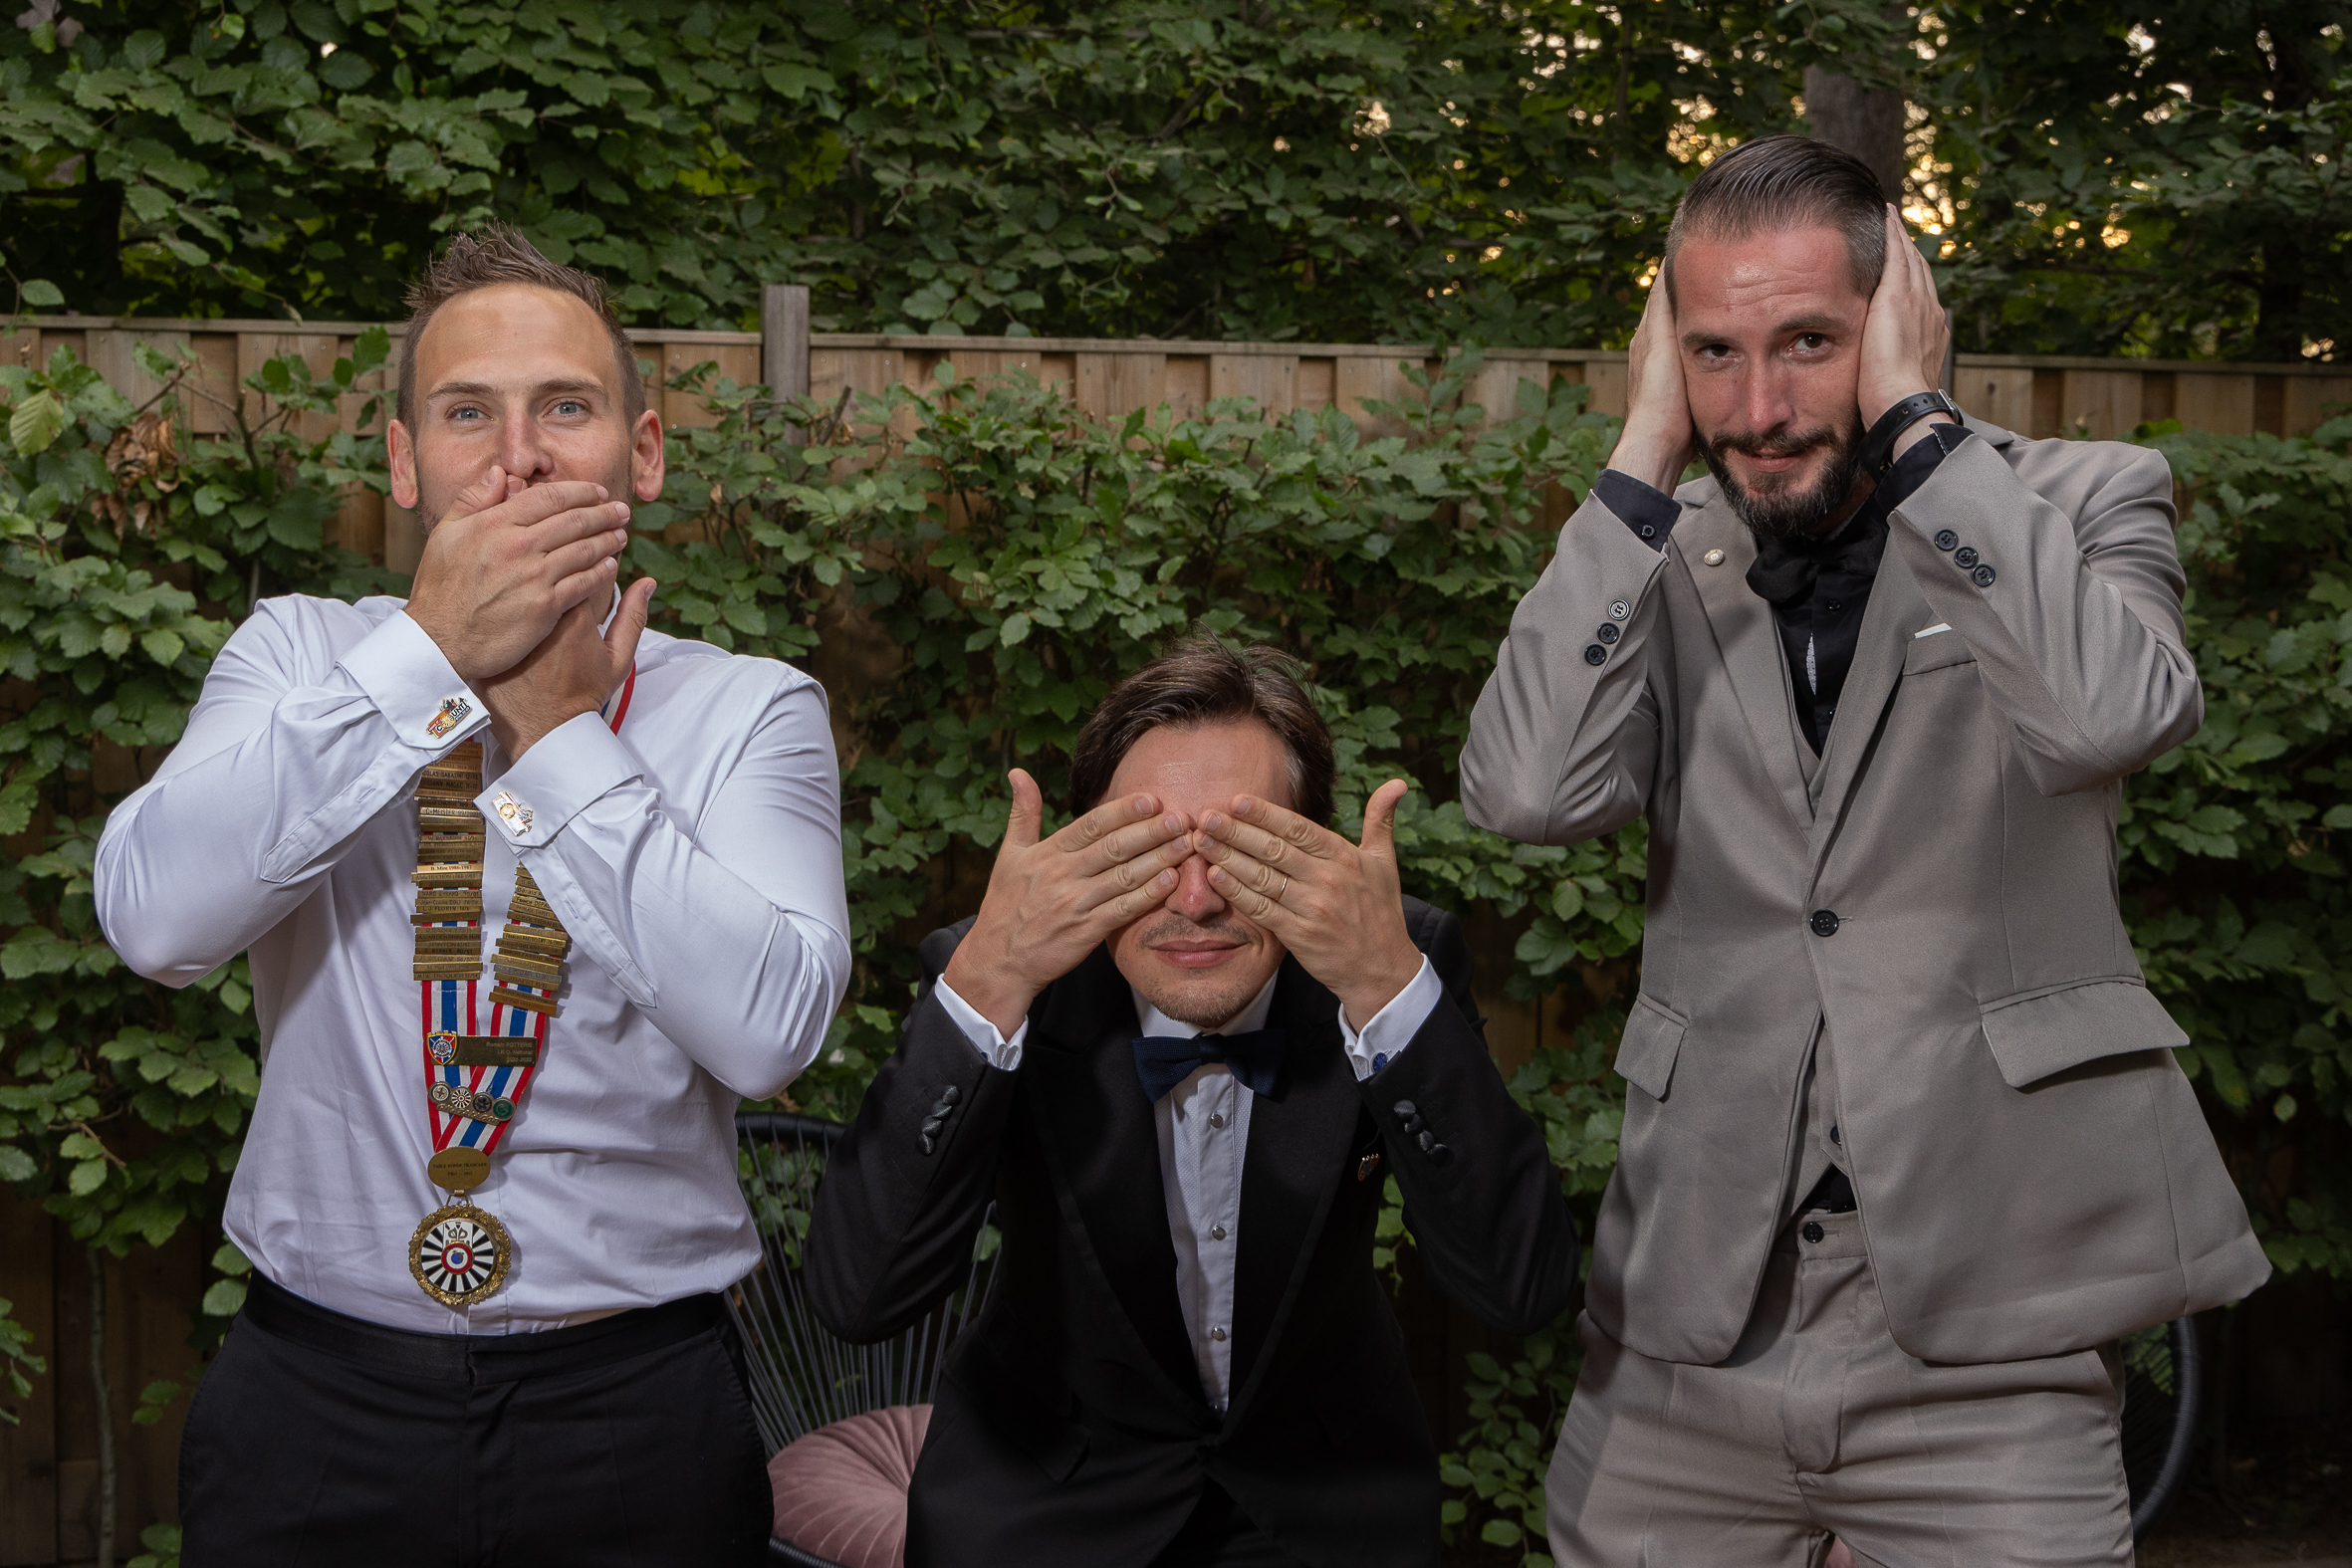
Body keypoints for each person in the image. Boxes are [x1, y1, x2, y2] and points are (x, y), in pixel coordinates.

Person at [1460, 135, 2269, 1567]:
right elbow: (1524, 788)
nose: (1757, 410)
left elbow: (2110, 715)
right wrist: (1641, 454)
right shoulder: (1654, 549)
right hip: (1685, 1332)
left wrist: (1914, 427)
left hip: (1997, 1336)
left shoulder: (2079, 499)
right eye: (1712, 353)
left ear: (1900, 316)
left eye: (1808, 343)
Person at [93, 227, 851, 1567]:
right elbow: (155, 922)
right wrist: (428, 653)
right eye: (465, 414)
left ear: (643, 453)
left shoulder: (749, 708)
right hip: (316, 1406)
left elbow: (769, 1033)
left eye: (565, 406)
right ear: (404, 465)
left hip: (634, 1412)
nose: (518, 456)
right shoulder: (301, 657)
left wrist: (562, 735)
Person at [804, 637, 1578, 1567]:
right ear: (1090, 850)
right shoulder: (1008, 969)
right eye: (1153, 850)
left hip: (1322, 1501)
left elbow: (1522, 1287)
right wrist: (988, 986)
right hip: (1049, 1499)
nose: (1198, 899)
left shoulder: (1384, 959)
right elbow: (857, 1296)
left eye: (1241, 851)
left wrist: (1387, 991)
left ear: (1313, 853)